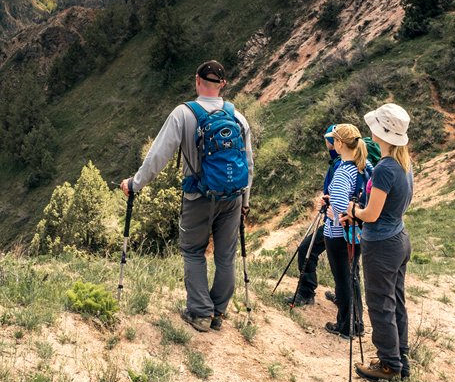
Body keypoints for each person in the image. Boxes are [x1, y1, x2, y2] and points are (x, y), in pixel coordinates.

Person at [121, 60, 254, 333]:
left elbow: (158, 155)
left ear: (197, 81)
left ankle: (200, 313)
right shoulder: (238, 117)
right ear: (223, 85)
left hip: (198, 196)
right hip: (234, 198)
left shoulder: (183, 114)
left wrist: (135, 184)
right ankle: (218, 312)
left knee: (193, 252)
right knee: (226, 256)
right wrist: (246, 201)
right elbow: (249, 164)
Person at [342, 103, 414, 382]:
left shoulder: (385, 168)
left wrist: (354, 212)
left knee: (379, 303)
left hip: (382, 244)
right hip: (399, 237)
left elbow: (371, 214)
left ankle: (388, 364)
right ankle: (400, 357)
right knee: (395, 301)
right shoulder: (404, 164)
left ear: (380, 132)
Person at [286, 124, 341, 307]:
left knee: (306, 249)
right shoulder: (340, 161)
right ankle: (343, 297)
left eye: (327, 139)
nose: (325, 142)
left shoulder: (340, 163)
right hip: (343, 221)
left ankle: (306, 293)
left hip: (336, 221)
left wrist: (329, 201)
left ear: (333, 142)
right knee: (345, 262)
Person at [322, 124, 367, 339]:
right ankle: (357, 323)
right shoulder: (363, 167)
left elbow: (341, 204)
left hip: (339, 235)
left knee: (343, 280)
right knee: (353, 276)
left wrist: (334, 214)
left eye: (334, 140)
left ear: (340, 143)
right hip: (357, 233)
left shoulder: (342, 171)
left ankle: (345, 325)